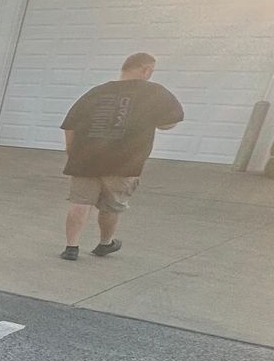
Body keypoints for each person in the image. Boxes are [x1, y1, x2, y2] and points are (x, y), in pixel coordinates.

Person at [58, 52, 184, 261]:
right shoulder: (154, 92)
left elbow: (70, 124)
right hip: (124, 161)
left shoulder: (97, 92)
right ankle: (105, 244)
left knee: (80, 202)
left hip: (85, 158)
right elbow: (169, 122)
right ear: (146, 70)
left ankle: (72, 247)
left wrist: (71, 151)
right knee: (111, 205)